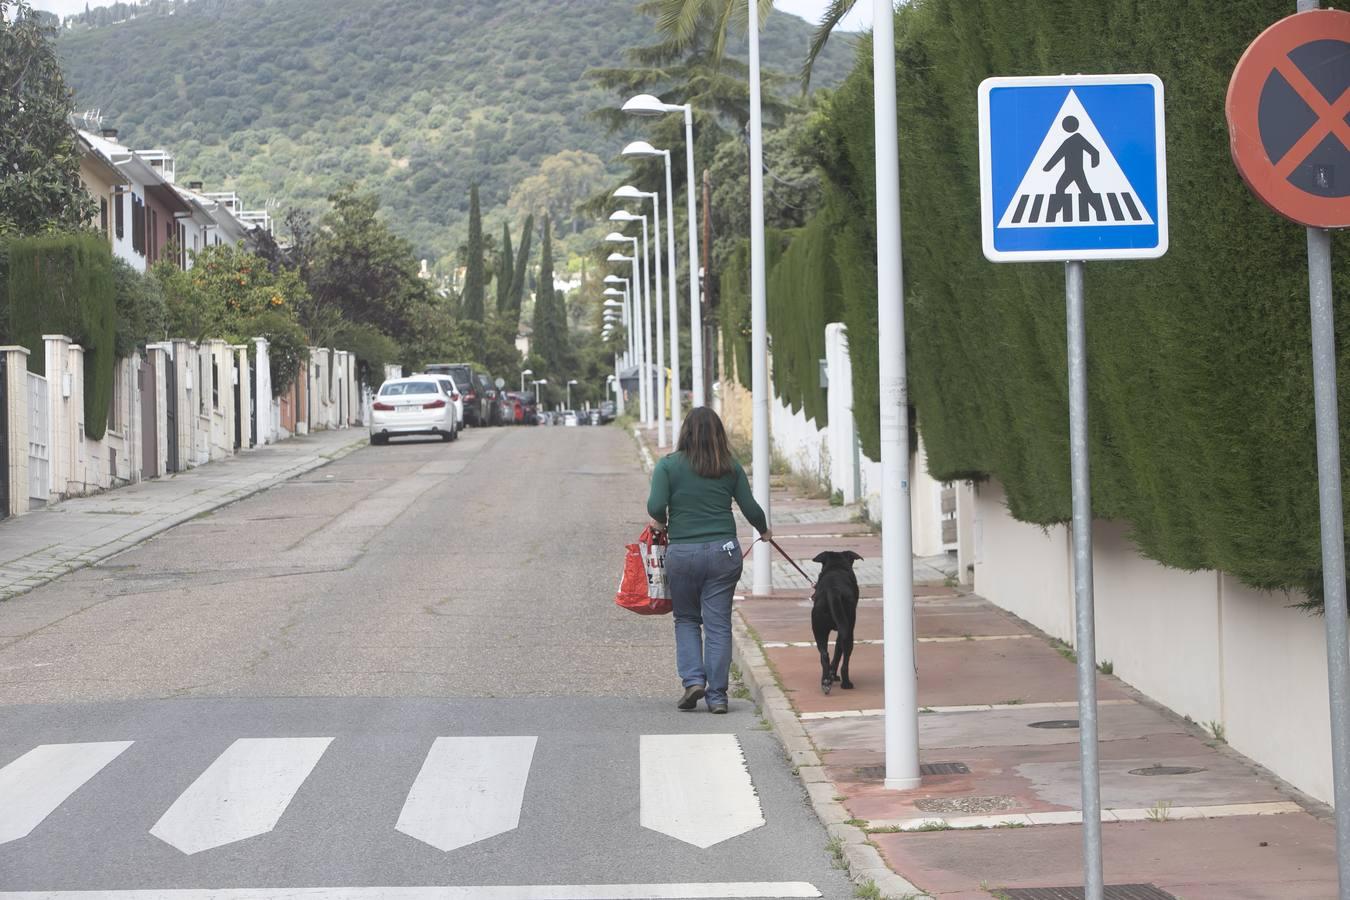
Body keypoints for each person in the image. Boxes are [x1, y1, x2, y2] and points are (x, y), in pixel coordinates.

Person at [647, 407, 770, 714]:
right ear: (718, 434)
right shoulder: (729, 466)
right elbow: (750, 508)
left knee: (687, 619)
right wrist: (764, 530)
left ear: (685, 432)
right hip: (723, 553)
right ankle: (717, 696)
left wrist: (662, 522)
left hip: (683, 554)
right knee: (717, 625)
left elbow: (655, 504)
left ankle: (693, 681)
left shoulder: (668, 466)